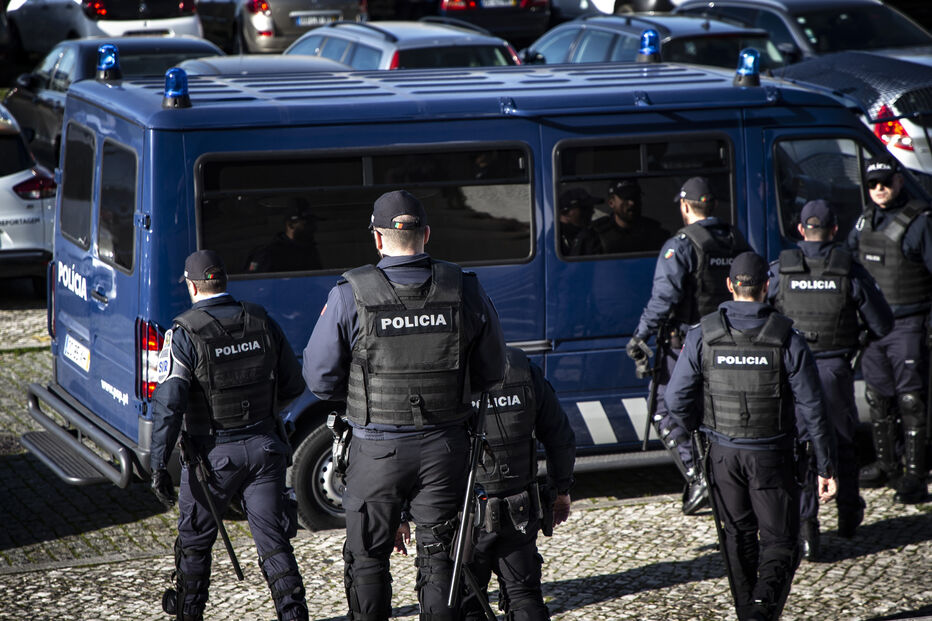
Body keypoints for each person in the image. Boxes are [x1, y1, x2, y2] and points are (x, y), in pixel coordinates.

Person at [301, 190, 507, 621]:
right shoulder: (462, 286)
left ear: (377, 240)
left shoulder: (349, 293)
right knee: (440, 558)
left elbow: (319, 378)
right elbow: (493, 371)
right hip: (445, 447)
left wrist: (364, 393)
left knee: (368, 559)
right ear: (427, 234)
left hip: (376, 450)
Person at [666, 251, 838, 621]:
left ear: (730, 285)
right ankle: (760, 611)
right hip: (772, 455)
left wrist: (699, 426)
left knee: (738, 536)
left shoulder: (703, 336)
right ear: (767, 286)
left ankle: (749, 610)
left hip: (723, 453)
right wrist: (825, 465)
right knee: (779, 542)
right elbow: (813, 407)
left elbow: (675, 399)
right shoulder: (787, 339)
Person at [148, 249, 309, 621]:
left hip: (212, 456)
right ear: (223, 281)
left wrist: (158, 464)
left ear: (191, 286)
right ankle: (294, 614)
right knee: (274, 544)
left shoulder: (184, 333)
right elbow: (293, 384)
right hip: (266, 448)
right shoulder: (261, 320)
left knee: (194, 545)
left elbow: (169, 403)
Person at [769, 199, 893, 557]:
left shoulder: (782, 270)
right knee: (842, 443)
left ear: (799, 231)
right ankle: (849, 513)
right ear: (835, 230)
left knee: (802, 447)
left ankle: (807, 528)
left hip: (793, 372)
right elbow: (882, 323)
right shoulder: (848, 271)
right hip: (835, 370)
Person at [626, 176, 751, 515]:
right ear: (712, 205)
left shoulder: (681, 244)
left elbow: (663, 298)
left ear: (685, 206)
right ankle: (725, 481)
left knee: (666, 409)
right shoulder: (736, 239)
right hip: (732, 339)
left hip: (688, 343)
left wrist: (640, 335)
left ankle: (700, 480)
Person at [848, 155, 932, 504]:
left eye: (885, 182)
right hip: (875, 329)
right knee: (878, 399)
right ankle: (887, 463)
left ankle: (915, 473)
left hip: (909, 323)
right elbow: (849, 264)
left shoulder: (920, 222)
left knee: (911, 399)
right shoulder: (864, 222)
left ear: (899, 181)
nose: (879, 189)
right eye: (872, 184)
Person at [590, 179, 670, 254]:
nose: (632, 203)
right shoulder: (596, 235)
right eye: (626, 198)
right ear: (611, 202)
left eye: (635, 197)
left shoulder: (655, 233)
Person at [246, 200, 322, 273]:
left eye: (313, 223)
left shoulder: (310, 251)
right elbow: (253, 282)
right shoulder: (267, 253)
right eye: (307, 224)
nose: (313, 228)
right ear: (291, 224)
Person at [557, 187, 602, 257]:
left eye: (591, 208)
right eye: (585, 209)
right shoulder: (553, 240)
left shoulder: (594, 233)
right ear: (566, 212)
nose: (592, 211)